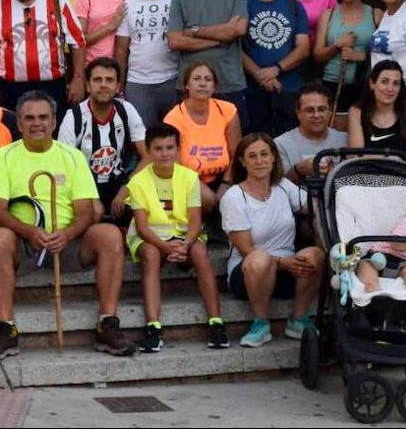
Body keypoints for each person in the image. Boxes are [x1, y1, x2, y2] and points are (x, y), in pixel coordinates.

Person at [0, 92, 136, 360]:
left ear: (53, 122)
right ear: (19, 123)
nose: (36, 123)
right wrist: (28, 232)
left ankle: (107, 323)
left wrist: (67, 234)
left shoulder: (72, 156)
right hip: (24, 241)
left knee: (109, 234)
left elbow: (86, 212)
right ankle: (5, 329)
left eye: (43, 117)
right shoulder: (3, 157)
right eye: (29, 118)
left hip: (69, 241)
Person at [126, 123, 228, 351]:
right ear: (149, 152)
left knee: (200, 253)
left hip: (184, 234)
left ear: (178, 149)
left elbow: (194, 220)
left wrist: (185, 244)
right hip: (152, 236)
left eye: (170, 147)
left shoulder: (189, 177)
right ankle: (153, 327)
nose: (165, 153)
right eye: (159, 149)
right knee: (151, 256)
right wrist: (166, 247)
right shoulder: (137, 182)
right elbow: (142, 227)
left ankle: (216, 323)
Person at [221, 133, 326, 347]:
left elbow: (315, 208)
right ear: (242, 161)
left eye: (264, 154)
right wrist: (283, 262)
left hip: (288, 271)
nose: (259, 161)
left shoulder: (283, 186)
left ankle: (298, 319)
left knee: (314, 254)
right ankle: (261, 324)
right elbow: (245, 250)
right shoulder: (233, 196)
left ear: (273, 158)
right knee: (259, 258)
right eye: (252, 156)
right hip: (249, 272)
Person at [168, 0, 250, 127]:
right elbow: (175, 41)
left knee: (234, 147)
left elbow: (237, 30)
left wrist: (194, 31)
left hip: (229, 83)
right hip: (191, 86)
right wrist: (219, 39)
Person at [57, 58, 146, 223]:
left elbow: (148, 156)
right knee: (94, 211)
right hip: (84, 183)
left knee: (146, 202)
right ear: (88, 85)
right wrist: (88, 194)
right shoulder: (73, 117)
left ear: (118, 86)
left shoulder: (126, 109)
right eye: (97, 80)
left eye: (109, 80)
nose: (103, 85)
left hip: (119, 181)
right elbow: (64, 165)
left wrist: (127, 188)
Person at [242, 0, 310, 137]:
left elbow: (303, 48)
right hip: (254, 91)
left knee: (289, 144)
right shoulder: (242, 5)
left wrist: (276, 70)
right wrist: (260, 76)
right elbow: (236, 48)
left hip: (289, 88)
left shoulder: (294, 6)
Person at [115, 0, 182, 129]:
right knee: (142, 139)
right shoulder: (129, 5)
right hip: (138, 84)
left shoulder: (178, 1)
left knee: (173, 137)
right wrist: (119, 87)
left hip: (172, 81)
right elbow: (121, 49)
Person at [162, 62, 241, 211]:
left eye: (207, 79)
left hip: (223, 177)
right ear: (187, 85)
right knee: (208, 199)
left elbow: (237, 153)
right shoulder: (173, 118)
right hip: (186, 179)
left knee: (234, 197)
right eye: (196, 79)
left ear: (214, 87)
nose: (202, 83)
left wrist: (226, 183)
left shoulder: (227, 110)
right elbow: (175, 166)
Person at [347, 60, 406, 179]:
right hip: (369, 182)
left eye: (396, 83)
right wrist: (392, 160)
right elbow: (357, 157)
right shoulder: (357, 112)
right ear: (372, 83)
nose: (390, 89)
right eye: (384, 82)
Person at [313, 0, 375, 126]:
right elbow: (317, 56)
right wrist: (337, 45)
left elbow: (389, 52)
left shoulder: (376, 14)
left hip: (365, 84)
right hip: (333, 84)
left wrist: (362, 56)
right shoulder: (328, 15)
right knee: (336, 133)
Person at [274, 84, 347, 183]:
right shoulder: (280, 144)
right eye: (309, 110)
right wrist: (297, 171)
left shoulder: (346, 140)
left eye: (321, 109)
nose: (316, 115)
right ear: (298, 113)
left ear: (330, 112)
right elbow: (276, 188)